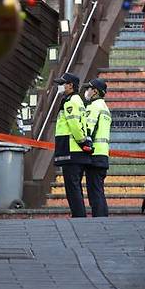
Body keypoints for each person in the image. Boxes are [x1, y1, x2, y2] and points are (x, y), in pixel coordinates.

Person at [53, 72, 93, 217]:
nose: (61, 87)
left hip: (72, 150)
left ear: (70, 85)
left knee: (72, 187)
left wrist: (82, 142)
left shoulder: (71, 102)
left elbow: (75, 125)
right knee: (74, 186)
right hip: (75, 150)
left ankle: (79, 216)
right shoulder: (75, 100)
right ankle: (79, 214)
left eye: (63, 84)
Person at [82, 78, 112, 217]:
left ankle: (99, 219)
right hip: (103, 155)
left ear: (95, 91)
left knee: (94, 192)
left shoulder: (94, 107)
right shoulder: (105, 108)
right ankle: (102, 217)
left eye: (89, 88)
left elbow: (88, 128)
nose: (86, 91)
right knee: (99, 190)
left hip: (94, 155)